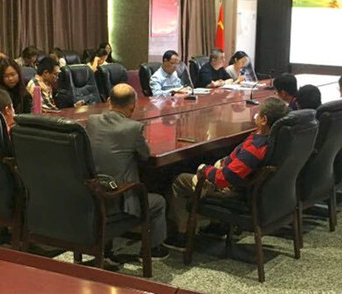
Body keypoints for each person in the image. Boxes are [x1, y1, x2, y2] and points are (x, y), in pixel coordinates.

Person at [164, 97, 289, 247]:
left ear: (264, 120)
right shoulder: (274, 139)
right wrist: (223, 162)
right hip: (247, 187)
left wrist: (204, 169)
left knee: (179, 180)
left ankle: (183, 234)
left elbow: (224, 179)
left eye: (258, 113)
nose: (255, 115)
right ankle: (217, 224)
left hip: (231, 191)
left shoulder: (256, 148)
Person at [86, 83, 170, 260]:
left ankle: (107, 246)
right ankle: (153, 250)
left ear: (109, 101)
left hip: (92, 194)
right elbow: (145, 156)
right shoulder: (133, 128)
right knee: (159, 202)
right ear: (133, 106)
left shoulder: (92, 121)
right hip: (120, 199)